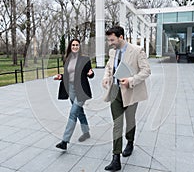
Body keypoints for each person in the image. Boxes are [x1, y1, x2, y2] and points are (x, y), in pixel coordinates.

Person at [102, 26, 151, 171]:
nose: (110, 43)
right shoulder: (112, 52)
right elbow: (109, 68)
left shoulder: (137, 51)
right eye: (108, 40)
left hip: (131, 92)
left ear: (121, 37)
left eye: (112, 40)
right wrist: (106, 77)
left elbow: (146, 70)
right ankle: (115, 158)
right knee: (117, 124)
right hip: (115, 91)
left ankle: (130, 142)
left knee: (130, 121)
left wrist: (131, 80)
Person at [54, 39, 94, 150]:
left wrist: (91, 74)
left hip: (81, 90)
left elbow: (90, 74)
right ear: (70, 47)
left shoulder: (85, 59)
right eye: (73, 45)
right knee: (79, 112)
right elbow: (67, 75)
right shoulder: (67, 59)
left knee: (73, 113)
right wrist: (60, 77)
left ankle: (65, 141)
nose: (75, 47)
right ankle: (86, 133)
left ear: (79, 47)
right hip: (70, 88)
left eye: (77, 45)